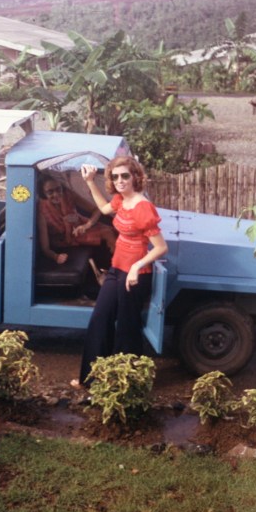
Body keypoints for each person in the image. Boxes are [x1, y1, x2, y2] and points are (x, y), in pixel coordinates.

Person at [73, 156, 168, 387]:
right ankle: (91, 378)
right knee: (100, 318)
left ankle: (126, 381)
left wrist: (136, 266)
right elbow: (104, 208)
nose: (120, 180)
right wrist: (89, 182)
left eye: (125, 175)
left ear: (135, 176)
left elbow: (161, 247)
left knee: (127, 326)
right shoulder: (120, 200)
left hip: (136, 274)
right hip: (117, 268)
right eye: (115, 177)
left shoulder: (143, 207)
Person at [37, 173, 115, 266]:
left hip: (80, 228)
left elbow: (96, 209)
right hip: (63, 241)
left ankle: (116, 267)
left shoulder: (69, 195)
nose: (56, 194)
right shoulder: (42, 211)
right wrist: (56, 257)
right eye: (50, 192)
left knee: (112, 230)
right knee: (107, 233)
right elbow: (45, 248)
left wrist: (87, 225)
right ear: (43, 193)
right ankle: (118, 268)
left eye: (58, 189)